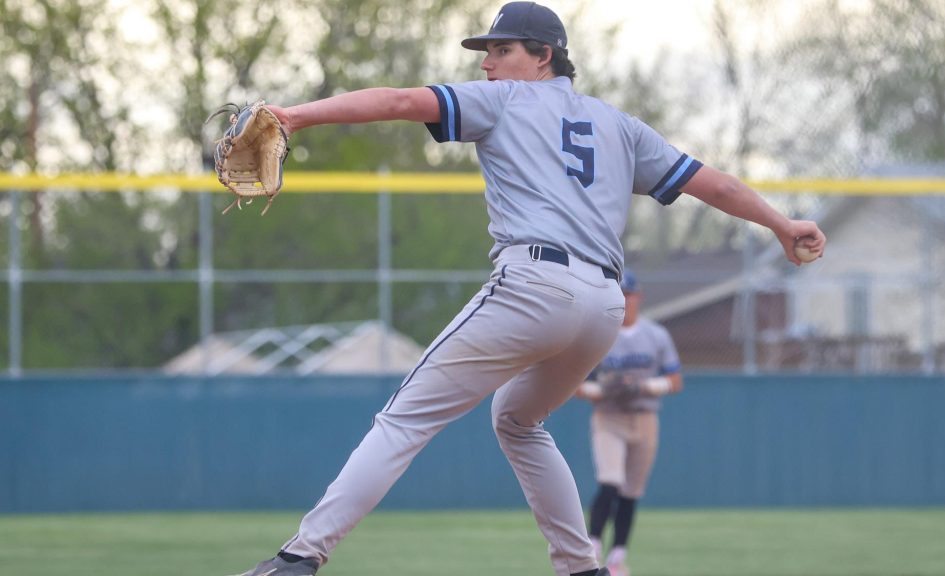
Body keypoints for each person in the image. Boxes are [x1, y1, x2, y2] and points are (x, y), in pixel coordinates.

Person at [233, 2, 825, 575]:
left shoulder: (504, 100)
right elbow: (711, 184)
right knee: (518, 420)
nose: (487, 63)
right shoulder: (619, 125)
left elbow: (397, 101)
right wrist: (781, 223)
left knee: (404, 419)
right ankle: (580, 567)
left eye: (502, 50)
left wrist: (299, 115)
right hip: (602, 308)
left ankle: (299, 558)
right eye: (485, 52)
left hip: (534, 285)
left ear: (543, 56)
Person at [576, 269, 683, 576]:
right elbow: (575, 386)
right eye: (618, 294)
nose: (624, 301)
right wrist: (604, 389)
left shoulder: (656, 335)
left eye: (628, 295)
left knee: (631, 492)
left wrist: (646, 387)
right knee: (610, 482)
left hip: (645, 417)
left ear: (638, 297)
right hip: (609, 417)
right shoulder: (596, 335)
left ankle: (617, 557)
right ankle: (593, 545)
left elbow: (675, 381)